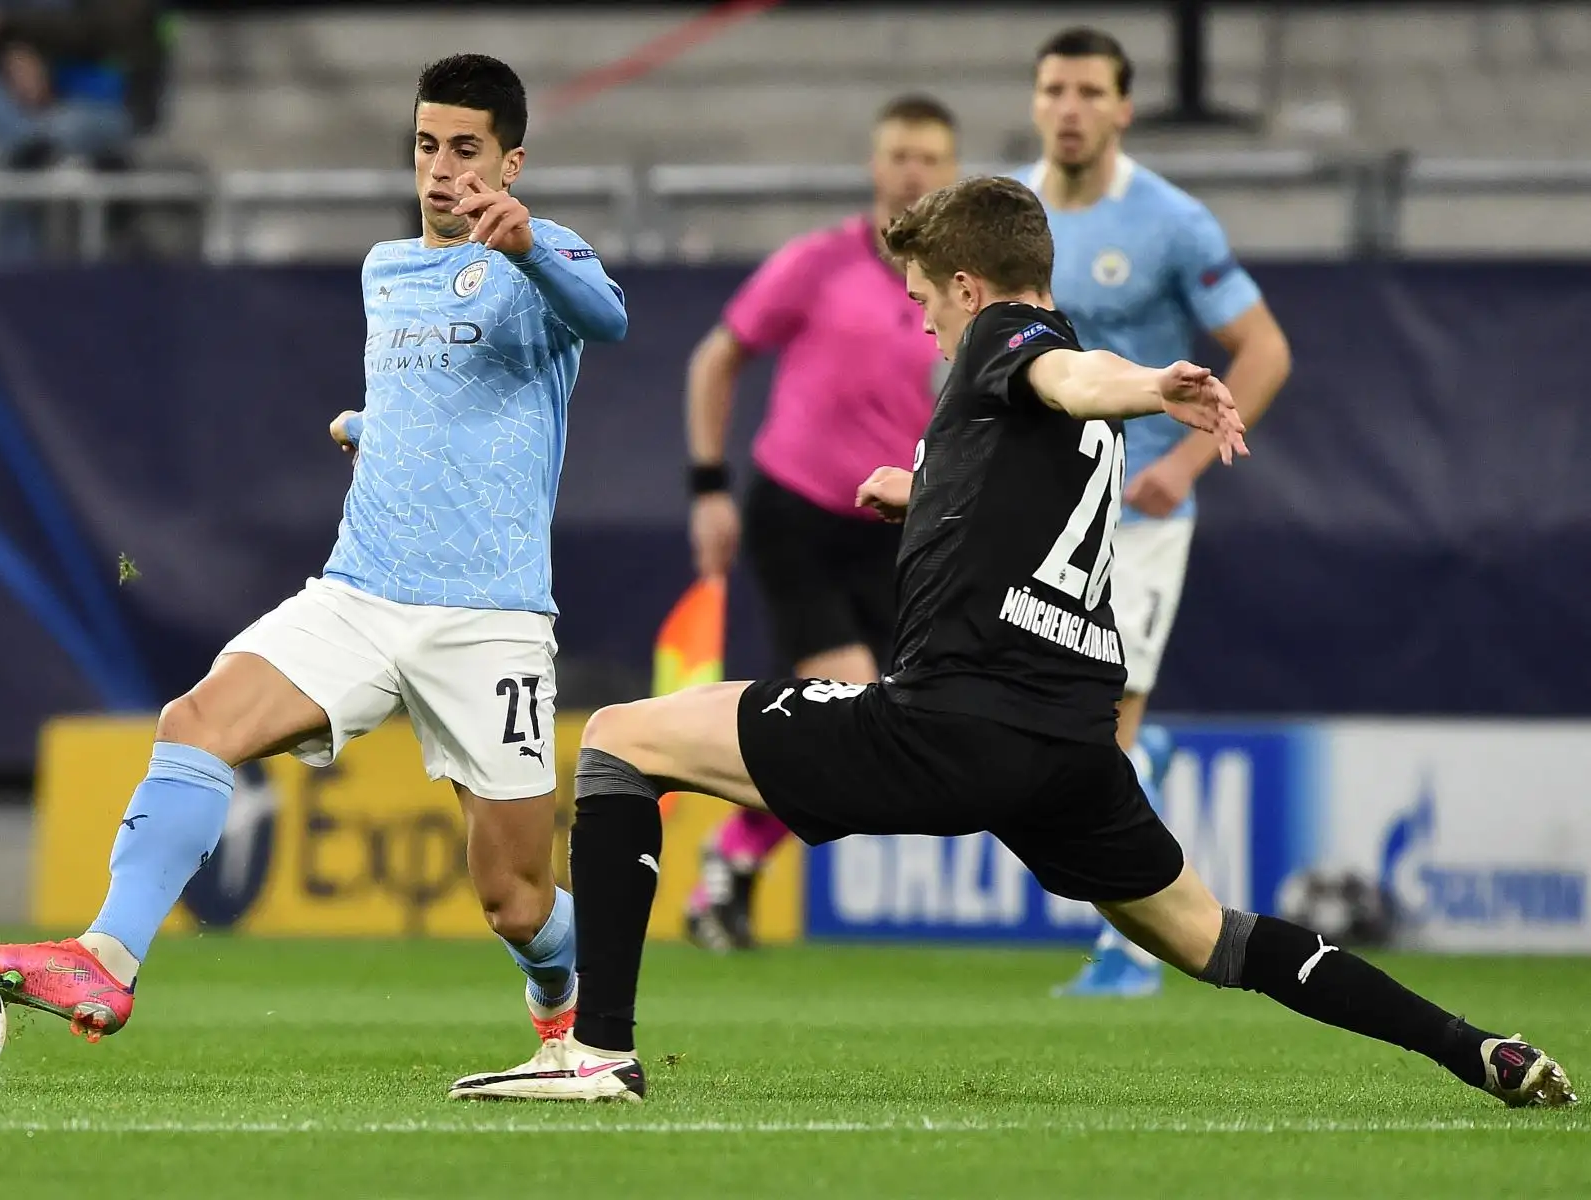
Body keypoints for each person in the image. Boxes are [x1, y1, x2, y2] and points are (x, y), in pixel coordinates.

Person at [446, 176, 1575, 1111]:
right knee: (1216, 939)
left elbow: (1068, 378)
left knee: (623, 744)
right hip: (1070, 752)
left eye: (922, 298)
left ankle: (595, 1052)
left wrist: (1152, 386)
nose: (920, 320)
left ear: (971, 286)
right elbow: (1044, 431)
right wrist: (924, 489)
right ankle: (1476, 1049)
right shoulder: (1029, 397)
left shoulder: (1014, 343)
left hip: (945, 723)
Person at [0, 55, 628, 1049]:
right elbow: (434, 396)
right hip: (361, 591)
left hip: (486, 617)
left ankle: (565, 993)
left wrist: (532, 249)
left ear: (511, 161)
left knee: (518, 904)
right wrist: (376, 427)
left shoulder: (541, 257)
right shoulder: (386, 270)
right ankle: (107, 957)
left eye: (467, 151)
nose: (443, 170)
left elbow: (608, 319)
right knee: (195, 721)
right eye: (427, 146)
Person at [1024, 27, 1294, 997]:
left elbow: (1263, 349)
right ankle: (1148, 762)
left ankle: (1130, 950)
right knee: (1046, 732)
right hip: (1038, 513)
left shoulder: (1172, 222)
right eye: (1054, 88)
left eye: (1090, 91)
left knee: (1101, 735)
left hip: (1135, 516)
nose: (1069, 107)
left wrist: (1184, 463)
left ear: (1124, 108)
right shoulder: (1012, 215)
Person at [681, 94, 958, 951]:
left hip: (894, 528)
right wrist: (708, 485)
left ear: (951, 174)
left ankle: (727, 867)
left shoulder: (956, 288)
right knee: (854, 712)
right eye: (900, 155)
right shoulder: (818, 263)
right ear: (876, 168)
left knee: (854, 733)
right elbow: (717, 357)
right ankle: (721, 857)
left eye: (929, 158)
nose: (913, 171)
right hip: (795, 512)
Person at [0, 1, 167, 259]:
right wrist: (9, 50)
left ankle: (14, 283)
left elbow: (106, 28)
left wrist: (11, 32)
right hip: (33, 110)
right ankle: (26, 144)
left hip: (107, 108)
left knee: (0, 160)